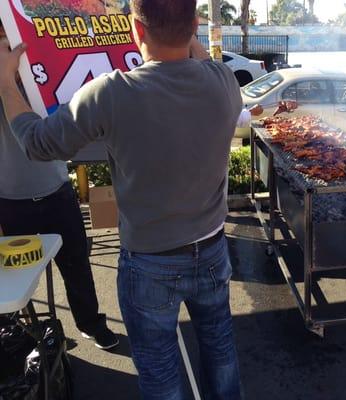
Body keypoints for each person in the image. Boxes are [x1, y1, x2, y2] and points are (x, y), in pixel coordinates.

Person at [0, 1, 243, 399]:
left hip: (150, 263)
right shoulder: (224, 82)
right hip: (213, 251)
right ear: (195, 25)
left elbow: (38, 142)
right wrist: (186, 35)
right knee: (221, 355)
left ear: (136, 29)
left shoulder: (112, 93)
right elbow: (195, 55)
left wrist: (6, 82)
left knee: (162, 376)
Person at [0, 20, 118, 351]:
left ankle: (91, 324)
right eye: (5, 47)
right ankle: (31, 337)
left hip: (57, 191)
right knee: (14, 283)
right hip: (9, 200)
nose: (11, 54)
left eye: (13, 46)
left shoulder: (41, 80)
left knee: (77, 263)